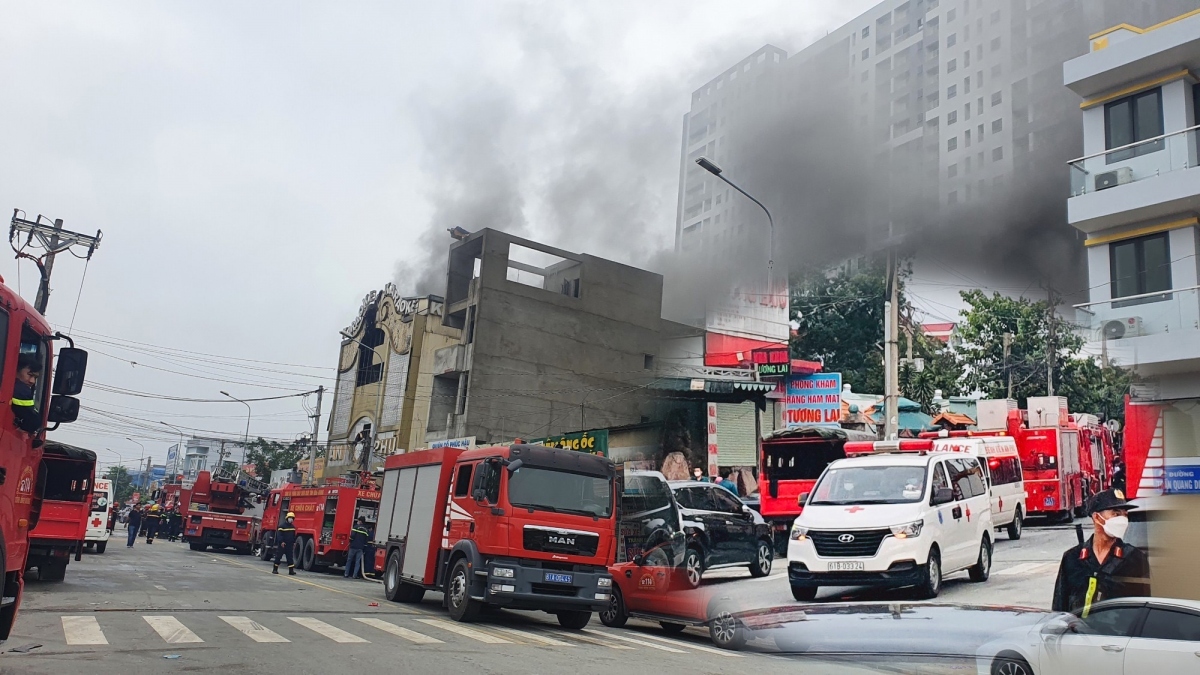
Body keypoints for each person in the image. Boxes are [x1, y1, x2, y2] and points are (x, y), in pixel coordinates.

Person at [1052, 488, 1151, 616]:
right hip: (1078, 634)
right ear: (1097, 517)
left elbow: (1144, 608)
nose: (1122, 520)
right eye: (1116, 514)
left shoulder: (1135, 559)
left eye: (1125, 515)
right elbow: (1059, 607)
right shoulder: (1072, 558)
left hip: (1116, 635)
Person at [10, 353, 41, 431]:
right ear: (15, 370)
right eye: (30, 375)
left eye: (35, 377)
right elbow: (33, 422)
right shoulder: (21, 390)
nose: (32, 381)